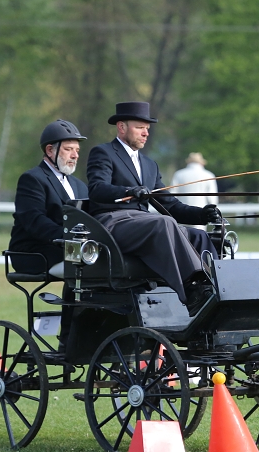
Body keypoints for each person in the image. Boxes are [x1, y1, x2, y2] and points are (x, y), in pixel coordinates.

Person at [86, 101, 219, 316]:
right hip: (114, 222)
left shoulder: (150, 165)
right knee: (164, 223)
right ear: (121, 127)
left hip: (144, 224)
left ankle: (217, 289)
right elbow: (97, 188)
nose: (145, 133)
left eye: (147, 128)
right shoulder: (103, 153)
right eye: (140, 127)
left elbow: (170, 205)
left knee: (200, 237)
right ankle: (194, 290)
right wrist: (128, 190)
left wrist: (201, 214)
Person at [8, 120, 89, 349]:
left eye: (77, 150)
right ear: (50, 150)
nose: (74, 155)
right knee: (82, 267)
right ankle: (69, 338)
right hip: (35, 253)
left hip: (69, 251)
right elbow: (34, 220)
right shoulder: (33, 179)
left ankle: (93, 333)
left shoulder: (80, 186)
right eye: (68, 149)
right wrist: (67, 239)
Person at [171, 152, 218, 229]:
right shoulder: (208, 175)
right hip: (200, 212)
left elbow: (172, 194)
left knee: (182, 237)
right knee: (198, 237)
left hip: (181, 211)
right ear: (202, 163)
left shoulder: (179, 174)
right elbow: (212, 198)